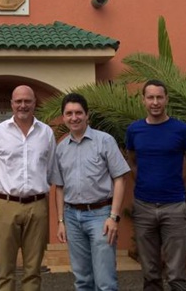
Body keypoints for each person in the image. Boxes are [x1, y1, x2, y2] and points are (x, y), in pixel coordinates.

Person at [126, 80, 186, 291]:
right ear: (143, 100)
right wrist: (144, 184)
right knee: (150, 273)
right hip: (143, 207)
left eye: (159, 97)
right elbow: (132, 162)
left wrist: (180, 188)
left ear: (166, 99)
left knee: (177, 273)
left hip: (174, 208)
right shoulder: (134, 130)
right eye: (150, 97)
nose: (155, 102)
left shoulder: (181, 130)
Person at [0, 85, 57, 291]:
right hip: (6, 205)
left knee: (33, 270)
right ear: (12, 104)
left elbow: (50, 168)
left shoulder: (46, 132)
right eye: (18, 101)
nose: (23, 105)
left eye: (27, 101)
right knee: (5, 269)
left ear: (34, 104)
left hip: (37, 206)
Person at [52, 93, 130, 291]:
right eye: (69, 113)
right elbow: (59, 187)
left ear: (87, 115)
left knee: (105, 282)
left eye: (79, 112)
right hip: (71, 217)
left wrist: (114, 216)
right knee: (82, 280)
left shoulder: (105, 141)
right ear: (63, 117)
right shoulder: (61, 149)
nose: (74, 117)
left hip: (101, 215)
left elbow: (120, 178)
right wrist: (60, 222)